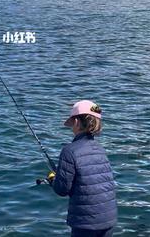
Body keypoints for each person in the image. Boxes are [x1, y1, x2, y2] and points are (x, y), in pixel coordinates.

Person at [49, 100, 117, 237]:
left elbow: (62, 190)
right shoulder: (100, 150)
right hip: (108, 218)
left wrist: (52, 179)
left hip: (85, 223)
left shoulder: (69, 151)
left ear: (76, 122)